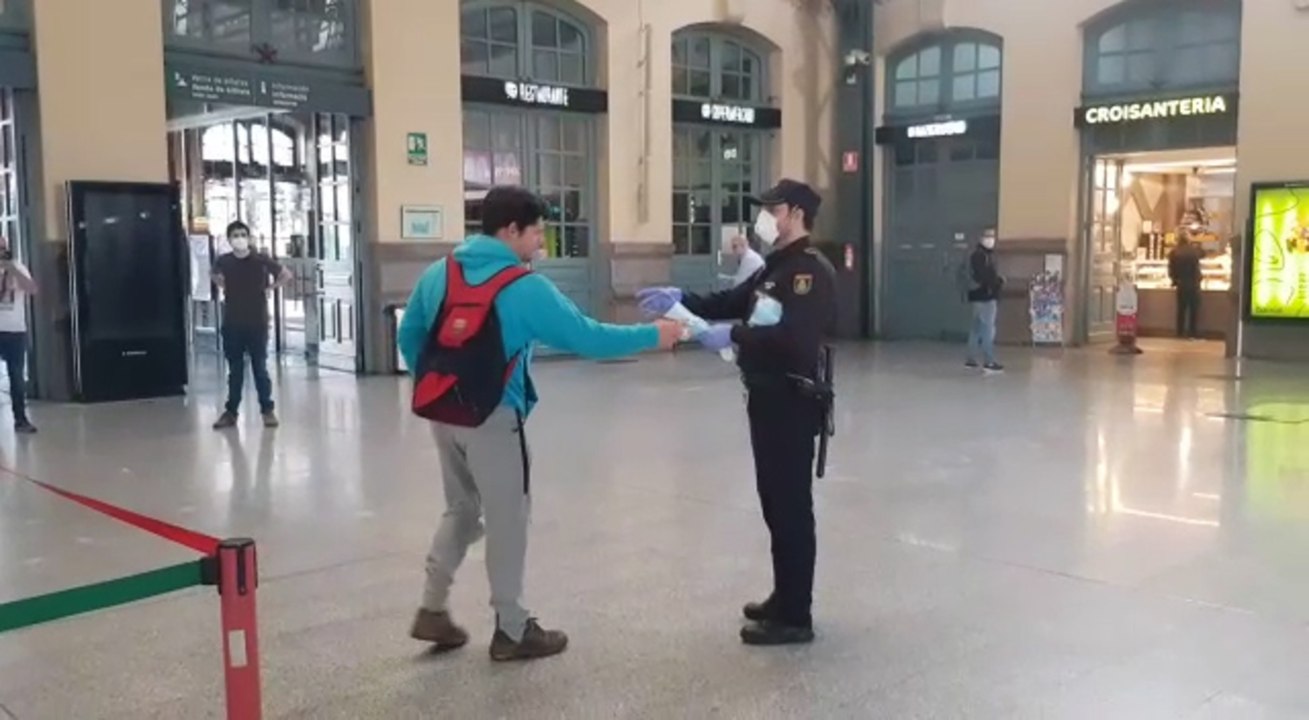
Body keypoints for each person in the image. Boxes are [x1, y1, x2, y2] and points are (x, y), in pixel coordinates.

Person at [398, 186, 681, 662]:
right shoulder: (522, 286)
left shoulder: (439, 273)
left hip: (443, 415)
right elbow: (587, 337)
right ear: (510, 231)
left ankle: (432, 608)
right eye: (535, 233)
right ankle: (512, 628)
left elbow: (410, 335)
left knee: (462, 508)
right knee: (508, 519)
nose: (540, 243)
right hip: (493, 417)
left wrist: (440, 387)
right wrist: (655, 334)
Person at [637, 179, 837, 646]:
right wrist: (679, 298)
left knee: (790, 507)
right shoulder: (776, 266)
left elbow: (795, 341)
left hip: (791, 401)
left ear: (796, 213)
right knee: (774, 503)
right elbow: (732, 301)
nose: (765, 215)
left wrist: (733, 337)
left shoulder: (809, 272)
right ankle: (784, 594)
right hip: (765, 399)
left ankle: (796, 616)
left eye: (773, 207)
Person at [211, 221, 291, 429]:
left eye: (243, 234)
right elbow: (214, 275)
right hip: (233, 323)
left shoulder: (260, 260)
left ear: (249, 237)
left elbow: (286, 274)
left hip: (257, 322)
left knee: (260, 368)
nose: (239, 238)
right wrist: (224, 285)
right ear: (229, 239)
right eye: (235, 235)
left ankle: (267, 410)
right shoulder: (224, 261)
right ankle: (231, 412)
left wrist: (271, 287)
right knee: (235, 371)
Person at [0, 236, 37, 434]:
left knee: (16, 377)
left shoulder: (18, 267)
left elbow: (32, 289)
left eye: (3, 247)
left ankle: (20, 419)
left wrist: (12, 269)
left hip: (15, 331)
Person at [965, 231, 1004, 373]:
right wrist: (998, 282)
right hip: (986, 296)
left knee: (976, 328)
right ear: (982, 239)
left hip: (975, 296)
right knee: (988, 329)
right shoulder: (982, 256)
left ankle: (971, 359)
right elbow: (986, 277)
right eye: (988, 237)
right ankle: (989, 361)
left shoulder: (976, 255)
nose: (991, 240)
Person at [1169, 235, 1203, 340]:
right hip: (1194, 284)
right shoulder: (1194, 251)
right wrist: (1199, 278)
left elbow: (1171, 269)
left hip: (1181, 284)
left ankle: (1180, 332)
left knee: (1181, 309)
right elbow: (1199, 263)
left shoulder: (1174, 252)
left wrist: (1174, 280)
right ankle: (1192, 332)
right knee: (1193, 309)